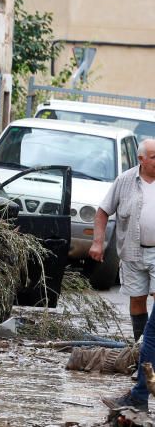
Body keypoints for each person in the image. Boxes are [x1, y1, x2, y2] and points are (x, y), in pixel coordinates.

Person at [94, 139, 155, 410]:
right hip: (131, 252)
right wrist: (98, 242)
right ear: (141, 159)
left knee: (154, 329)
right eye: (154, 157)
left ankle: (140, 390)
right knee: (142, 311)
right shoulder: (125, 180)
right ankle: (142, 362)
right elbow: (103, 211)